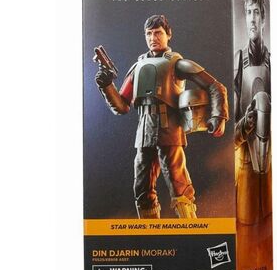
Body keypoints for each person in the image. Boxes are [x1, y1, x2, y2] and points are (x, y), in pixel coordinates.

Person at [95, 14, 229, 219]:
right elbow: (121, 106)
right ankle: (150, 232)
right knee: (142, 189)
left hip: (170, 129)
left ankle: (190, 229)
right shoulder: (138, 67)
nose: (153, 38)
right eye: (148, 33)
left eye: (158, 33)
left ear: (168, 34)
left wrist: (218, 116)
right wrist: (106, 86)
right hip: (144, 132)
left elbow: (215, 86)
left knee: (179, 185)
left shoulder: (177, 63)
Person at [234, 0, 272, 225]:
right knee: (246, 225)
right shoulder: (239, 61)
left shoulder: (273, 62)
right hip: (246, 163)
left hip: (269, 167)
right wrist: (244, 126)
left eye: (256, 12)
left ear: (263, 19)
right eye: (248, 12)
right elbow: (229, 131)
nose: (252, 18)